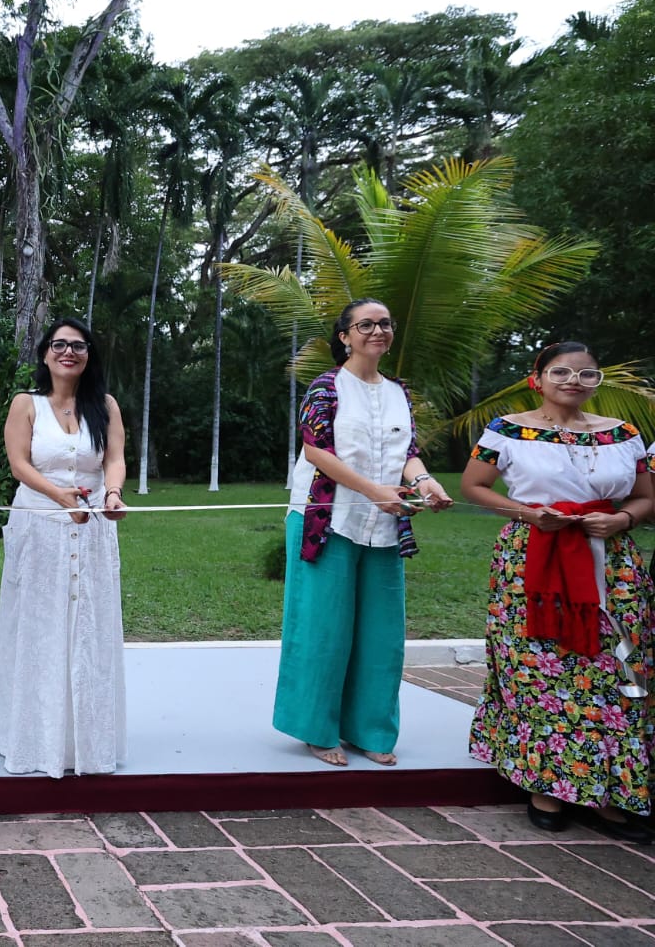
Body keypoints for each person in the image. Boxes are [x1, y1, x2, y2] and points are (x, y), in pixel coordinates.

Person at [462, 341, 655, 841]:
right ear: (537, 378)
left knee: (615, 663)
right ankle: (546, 784)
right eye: (561, 371)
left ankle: (611, 789)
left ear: (597, 381)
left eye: (586, 373)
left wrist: (621, 518)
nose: (573, 380)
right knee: (540, 663)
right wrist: (529, 514)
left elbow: (645, 497)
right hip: (533, 559)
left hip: (609, 563)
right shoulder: (506, 430)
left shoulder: (624, 434)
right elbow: (474, 486)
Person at [273, 298, 453, 767]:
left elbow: (407, 450)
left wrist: (424, 481)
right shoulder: (326, 387)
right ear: (345, 336)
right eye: (366, 324)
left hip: (385, 522)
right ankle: (317, 729)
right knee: (323, 627)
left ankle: (370, 730)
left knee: (382, 632)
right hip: (326, 520)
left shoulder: (399, 391)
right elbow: (317, 453)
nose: (378, 331)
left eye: (385, 324)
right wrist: (374, 490)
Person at [0, 318, 128, 777]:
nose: (68, 352)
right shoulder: (26, 404)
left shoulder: (104, 406)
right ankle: (31, 736)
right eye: (59, 345)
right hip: (41, 528)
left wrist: (112, 495)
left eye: (78, 345)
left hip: (92, 530)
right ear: (46, 354)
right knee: (40, 623)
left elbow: (114, 459)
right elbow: (18, 464)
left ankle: (85, 741)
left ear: (89, 354)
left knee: (89, 625)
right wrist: (58, 496)